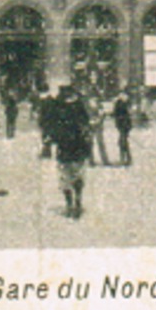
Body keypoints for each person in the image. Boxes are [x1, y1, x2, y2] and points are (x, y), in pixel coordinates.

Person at [43, 85, 92, 218]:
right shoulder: (79, 107)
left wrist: (49, 140)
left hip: (65, 148)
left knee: (65, 177)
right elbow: (86, 127)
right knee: (77, 176)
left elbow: (51, 126)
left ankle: (70, 203)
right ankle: (77, 201)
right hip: (77, 148)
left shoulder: (58, 108)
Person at [112, 90, 133, 167]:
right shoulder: (121, 104)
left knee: (122, 142)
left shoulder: (122, 104)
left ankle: (125, 159)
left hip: (124, 126)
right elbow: (117, 115)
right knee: (123, 142)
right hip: (123, 125)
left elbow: (120, 115)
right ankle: (126, 158)